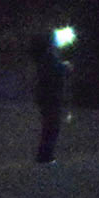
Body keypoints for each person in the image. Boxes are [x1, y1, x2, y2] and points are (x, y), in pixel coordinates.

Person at [29, 31, 70, 164]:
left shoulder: (47, 59)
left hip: (49, 97)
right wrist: (65, 68)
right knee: (51, 126)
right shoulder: (49, 59)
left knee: (50, 126)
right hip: (51, 97)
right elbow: (53, 75)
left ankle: (45, 154)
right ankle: (45, 155)